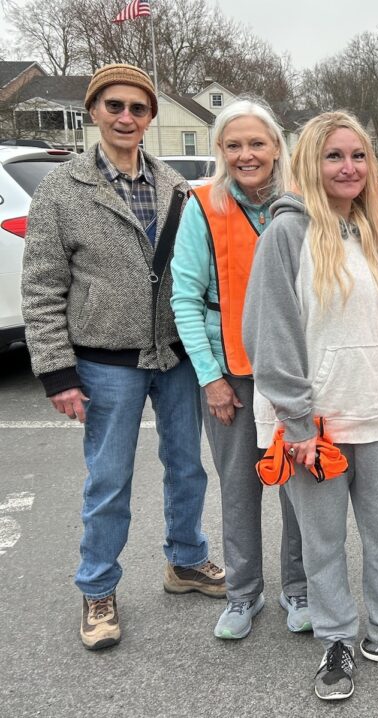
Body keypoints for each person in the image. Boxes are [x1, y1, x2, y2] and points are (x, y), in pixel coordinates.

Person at [242, 111, 378, 702]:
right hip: (317, 426)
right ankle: (335, 638)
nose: (349, 168)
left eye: (358, 156)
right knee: (323, 539)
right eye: (335, 156)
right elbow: (270, 334)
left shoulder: (374, 233)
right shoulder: (287, 233)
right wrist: (298, 421)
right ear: (311, 161)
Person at [21, 63, 225, 651]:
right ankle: (98, 587)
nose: (126, 117)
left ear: (150, 118)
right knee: (108, 479)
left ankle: (186, 560)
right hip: (106, 362)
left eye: (137, 108)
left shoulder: (175, 188)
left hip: (177, 355)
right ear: (93, 111)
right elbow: (41, 285)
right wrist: (57, 371)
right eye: (114, 106)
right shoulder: (62, 189)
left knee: (187, 467)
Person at [170, 98, 310, 640]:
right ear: (220, 152)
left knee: (299, 484)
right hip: (231, 373)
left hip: (293, 374)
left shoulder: (303, 205)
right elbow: (185, 297)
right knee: (237, 486)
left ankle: (297, 589)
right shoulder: (203, 205)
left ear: (277, 147)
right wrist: (211, 378)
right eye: (234, 145)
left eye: (256, 143)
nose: (246, 154)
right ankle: (242, 594)